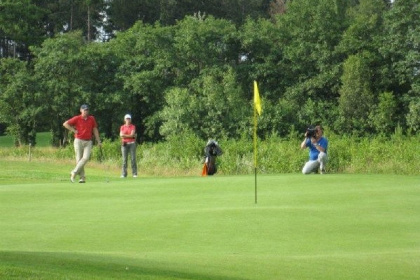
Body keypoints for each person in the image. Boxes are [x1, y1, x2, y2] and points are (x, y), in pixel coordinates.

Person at [63, 104, 101, 183]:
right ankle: (82, 178)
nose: (86, 111)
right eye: (84, 110)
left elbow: (95, 129)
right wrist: (74, 130)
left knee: (86, 158)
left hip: (88, 141)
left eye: (87, 110)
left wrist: (98, 140)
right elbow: (65, 124)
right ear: (81, 110)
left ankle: (74, 172)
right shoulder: (77, 118)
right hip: (78, 140)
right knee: (79, 159)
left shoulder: (91, 119)